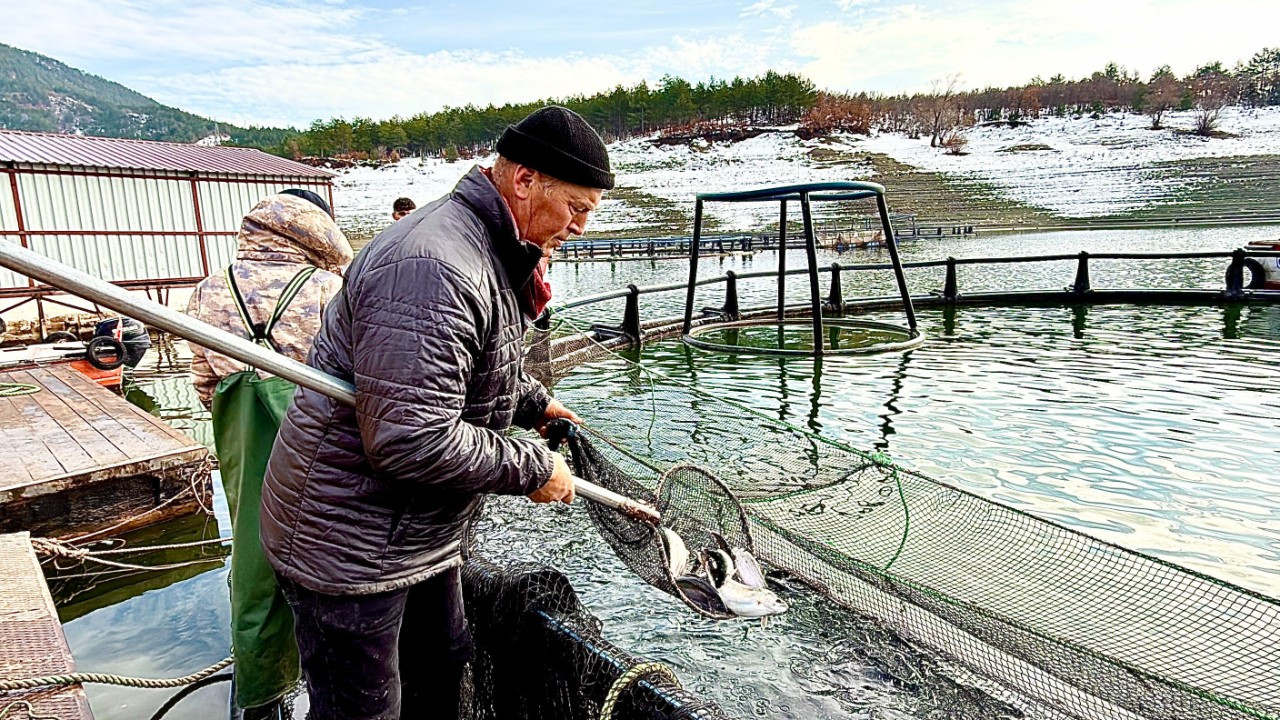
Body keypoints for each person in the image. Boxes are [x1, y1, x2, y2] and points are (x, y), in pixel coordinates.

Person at [260, 105, 613, 720]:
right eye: (576, 209)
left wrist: (534, 403)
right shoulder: (434, 264)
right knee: (362, 709)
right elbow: (409, 438)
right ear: (525, 180)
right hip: (349, 542)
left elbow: (476, 355)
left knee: (443, 664)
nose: (580, 227)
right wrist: (532, 467)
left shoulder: (491, 244)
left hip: (415, 534)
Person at [186, 191, 353, 720]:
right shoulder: (330, 288)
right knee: (335, 567)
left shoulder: (209, 290)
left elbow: (203, 383)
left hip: (246, 448)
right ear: (317, 231)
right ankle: (333, 688)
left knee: (254, 570)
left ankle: (259, 697)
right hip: (322, 456)